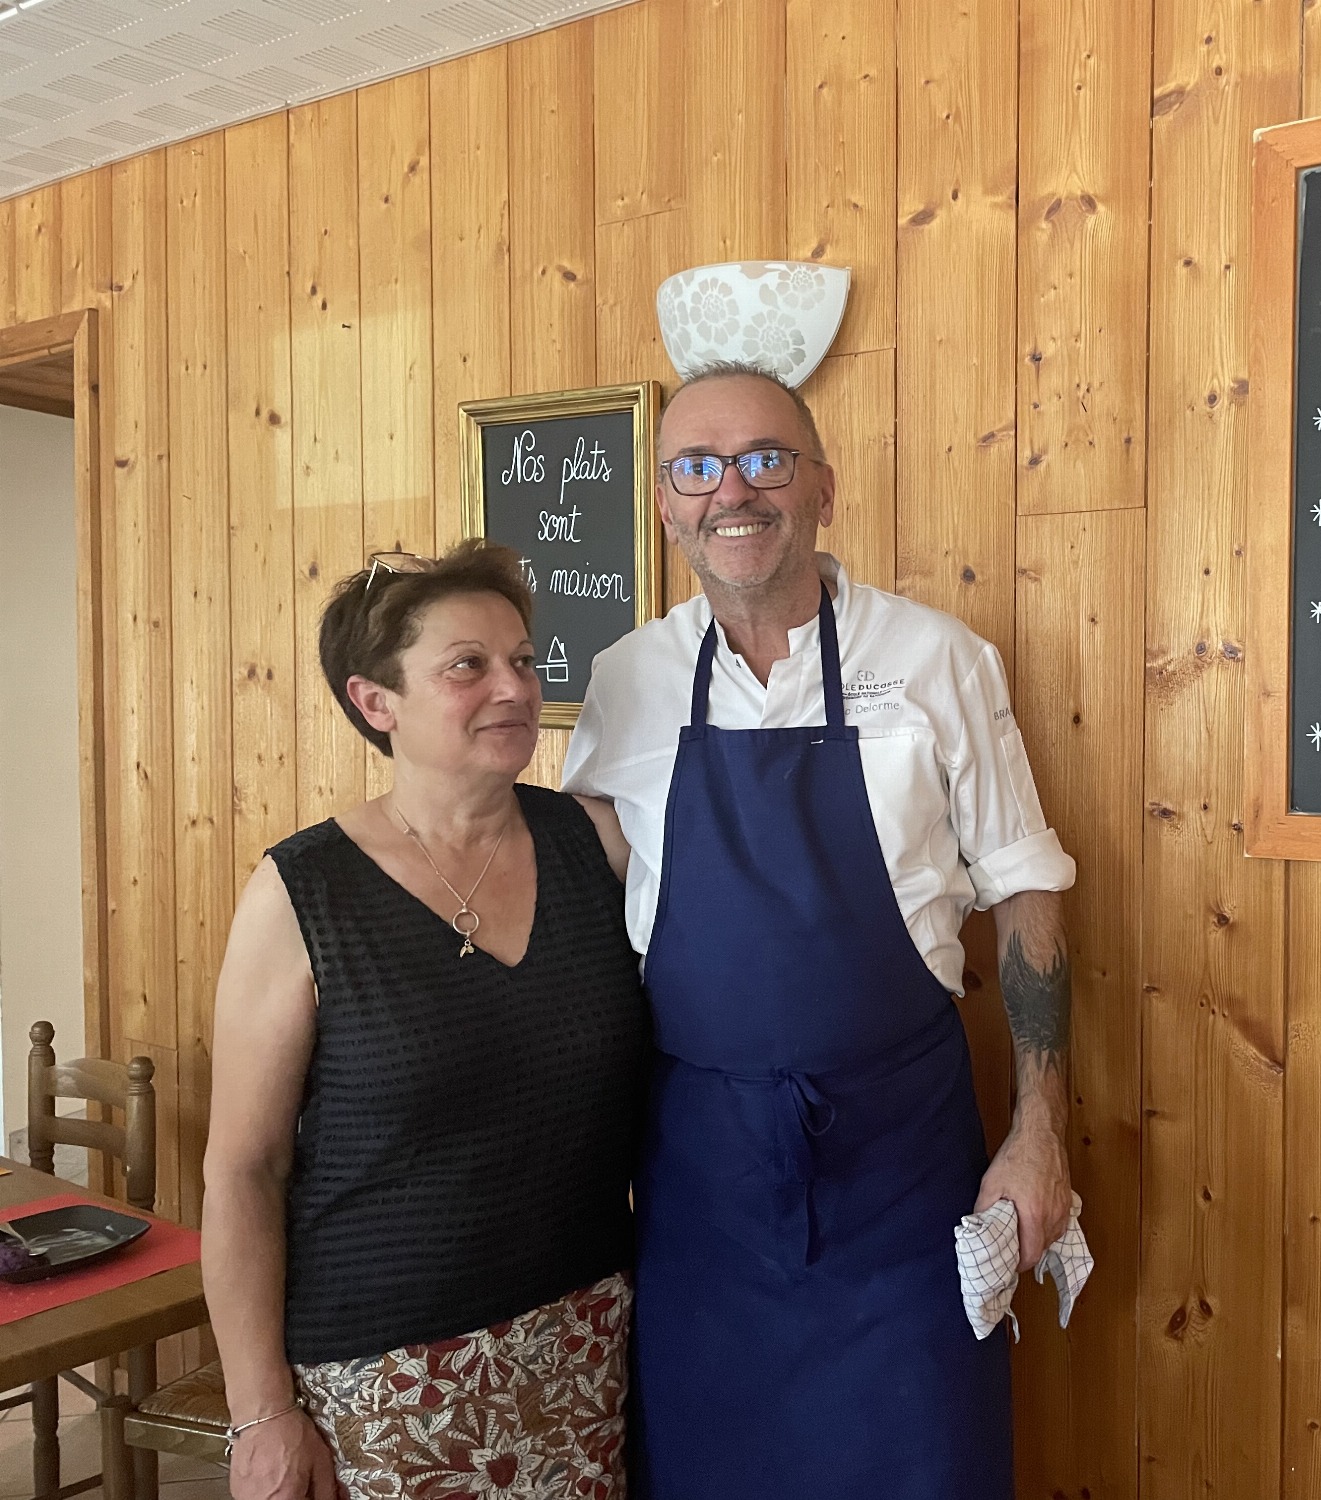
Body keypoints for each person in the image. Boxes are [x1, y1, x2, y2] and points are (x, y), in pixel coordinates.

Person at [563, 362, 1077, 1499]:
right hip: (700, 1177)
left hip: (904, 1163)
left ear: (822, 487)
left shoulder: (939, 660)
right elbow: (588, 913)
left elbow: (1027, 888)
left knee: (922, 1459)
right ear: (663, 501)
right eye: (696, 466)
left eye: (765, 460)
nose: (730, 491)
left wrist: (1040, 1131)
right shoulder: (625, 684)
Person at [203, 541, 650, 1500]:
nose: (514, 686)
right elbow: (245, 1169)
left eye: (524, 660)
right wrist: (261, 1412)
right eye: (468, 665)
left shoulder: (599, 843)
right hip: (381, 1383)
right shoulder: (302, 892)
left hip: (583, 1349)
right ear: (376, 703)